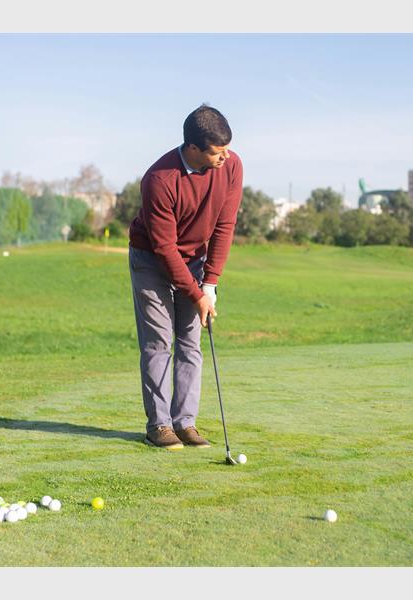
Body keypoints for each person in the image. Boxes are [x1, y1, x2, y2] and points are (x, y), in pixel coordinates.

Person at [128, 104, 243, 450]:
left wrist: (210, 284)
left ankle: (185, 423)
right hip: (152, 260)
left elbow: (224, 226)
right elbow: (164, 248)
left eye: (226, 149)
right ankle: (159, 425)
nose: (224, 157)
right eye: (216, 152)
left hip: (194, 260)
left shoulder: (232, 165)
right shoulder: (160, 179)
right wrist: (196, 294)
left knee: (191, 342)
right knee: (159, 342)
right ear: (192, 147)